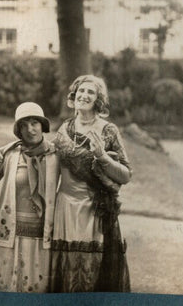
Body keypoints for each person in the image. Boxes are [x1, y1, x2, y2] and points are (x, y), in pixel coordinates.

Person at [50, 75, 132, 292]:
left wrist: (103, 157)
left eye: (91, 92)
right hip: (65, 208)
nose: (84, 95)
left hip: (96, 209)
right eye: (81, 91)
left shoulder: (108, 130)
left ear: (98, 99)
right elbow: (50, 168)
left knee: (93, 273)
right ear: (73, 96)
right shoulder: (63, 129)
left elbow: (125, 175)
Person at [0, 102, 59, 293]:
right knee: (8, 287)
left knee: (38, 287)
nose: (30, 129)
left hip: (42, 233)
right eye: (24, 124)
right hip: (12, 232)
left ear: (42, 125)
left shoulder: (56, 155)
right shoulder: (9, 154)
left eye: (34, 122)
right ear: (19, 129)